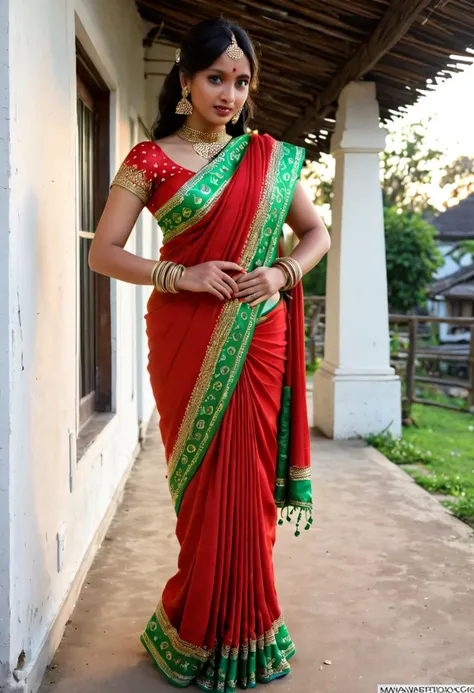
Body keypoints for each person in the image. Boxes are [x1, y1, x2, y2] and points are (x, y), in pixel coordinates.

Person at [89, 17, 330, 692]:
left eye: (241, 81)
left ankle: (251, 624)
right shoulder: (149, 159)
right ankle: (194, 625)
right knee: (200, 490)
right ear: (187, 80)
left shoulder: (270, 157)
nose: (230, 93)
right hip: (185, 336)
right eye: (217, 78)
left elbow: (315, 234)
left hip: (258, 334)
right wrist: (181, 275)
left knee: (248, 489)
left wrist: (282, 274)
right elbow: (102, 251)